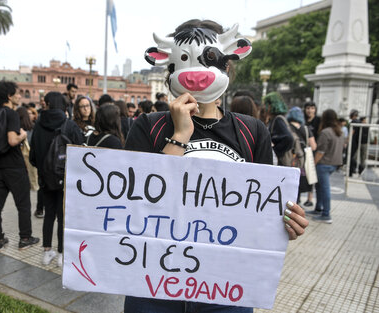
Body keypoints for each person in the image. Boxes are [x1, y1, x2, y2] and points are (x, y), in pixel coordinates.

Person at [125, 19, 308, 313]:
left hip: (225, 289)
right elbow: (138, 202)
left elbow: (262, 211)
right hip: (154, 284)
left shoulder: (252, 132)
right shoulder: (148, 126)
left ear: (227, 65)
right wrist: (180, 135)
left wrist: (286, 222)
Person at [0, 80, 39, 251]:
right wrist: (23, 135)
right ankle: (25, 238)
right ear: (9, 96)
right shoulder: (11, 114)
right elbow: (12, 140)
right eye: (17, 93)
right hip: (14, 166)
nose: (20, 96)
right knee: (23, 204)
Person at [30, 91, 84, 267]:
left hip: (46, 180)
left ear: (47, 104)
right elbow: (80, 152)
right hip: (65, 179)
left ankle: (47, 252)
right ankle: (61, 254)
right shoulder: (70, 125)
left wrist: (45, 168)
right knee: (62, 217)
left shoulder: (38, 126)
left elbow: (32, 157)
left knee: (48, 215)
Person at [306, 109, 344, 224]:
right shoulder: (339, 131)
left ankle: (326, 214)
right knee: (320, 187)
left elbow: (320, 152)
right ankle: (318, 209)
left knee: (324, 189)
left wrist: (313, 163)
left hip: (324, 164)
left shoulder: (325, 132)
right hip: (335, 163)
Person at [286, 107, 317, 204]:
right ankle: (297, 201)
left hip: (290, 159)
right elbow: (314, 146)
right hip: (302, 160)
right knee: (298, 181)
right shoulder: (306, 129)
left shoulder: (287, 127)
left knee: (289, 182)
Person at [265, 92, 294, 166]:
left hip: (279, 162)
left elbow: (288, 138)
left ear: (270, 106)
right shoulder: (276, 119)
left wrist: (274, 152)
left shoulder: (278, 120)